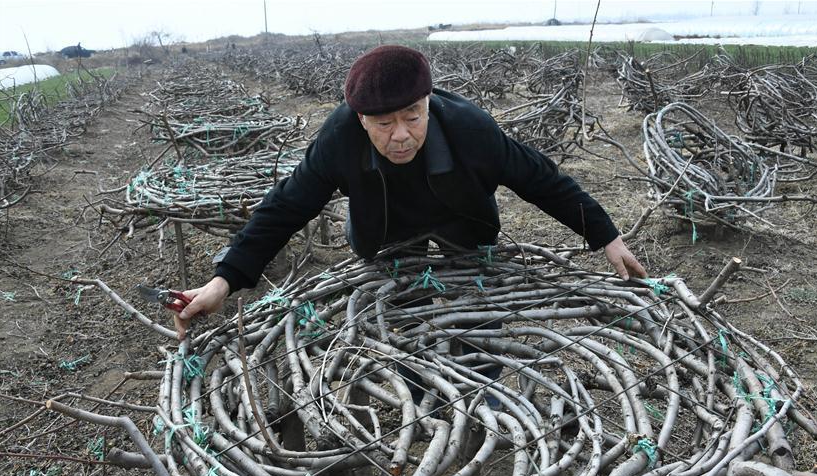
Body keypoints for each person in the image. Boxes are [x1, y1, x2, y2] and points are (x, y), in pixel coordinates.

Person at [174, 45, 645, 340]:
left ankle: (482, 389)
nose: (400, 135)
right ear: (361, 119)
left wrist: (605, 234)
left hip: (463, 220)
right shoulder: (339, 139)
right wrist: (225, 279)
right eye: (383, 123)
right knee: (404, 318)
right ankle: (418, 391)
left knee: (477, 312)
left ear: (428, 104)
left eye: (412, 117)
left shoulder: (471, 129)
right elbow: (285, 206)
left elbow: (541, 179)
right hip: (387, 231)